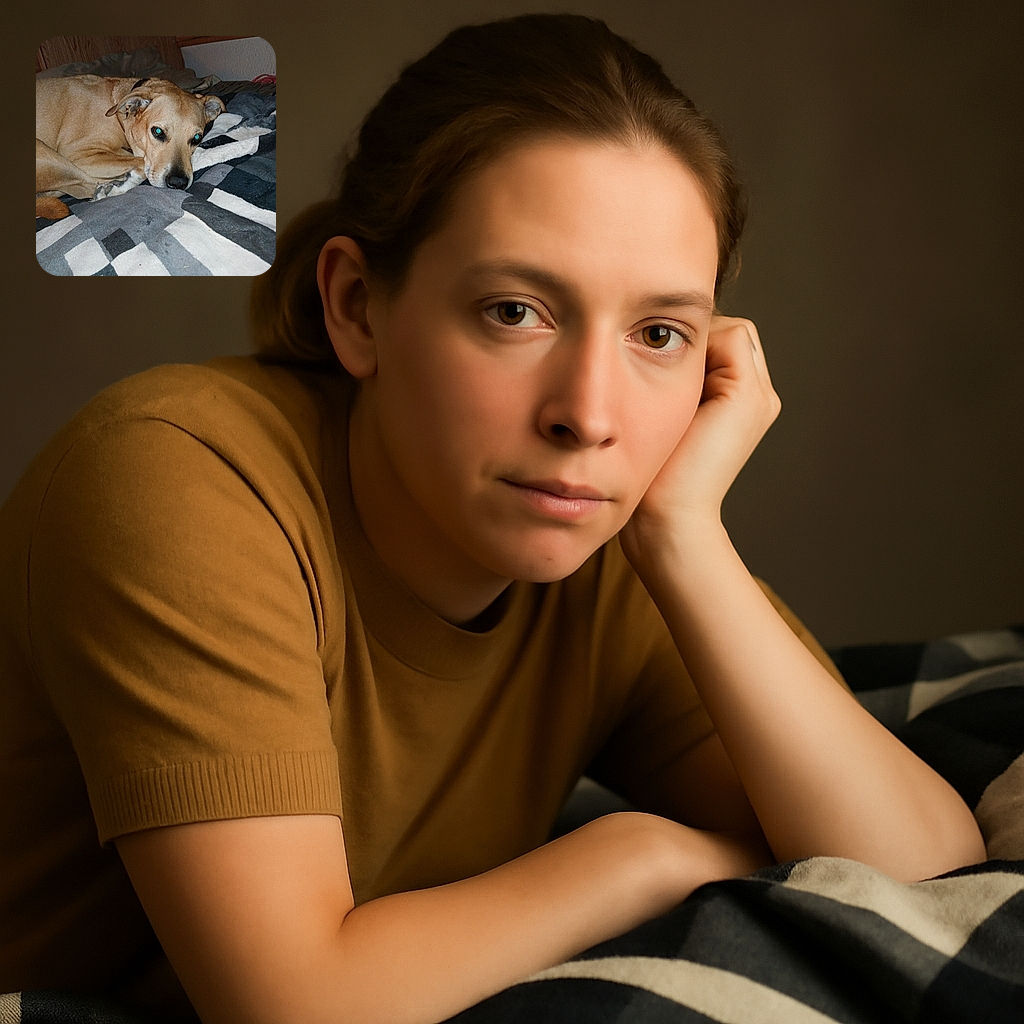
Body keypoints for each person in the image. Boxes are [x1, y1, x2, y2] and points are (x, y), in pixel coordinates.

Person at [0, 13, 984, 1024]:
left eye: (658, 333)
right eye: (515, 310)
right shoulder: (177, 479)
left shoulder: (615, 550)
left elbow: (923, 868)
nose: (589, 416)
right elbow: (298, 1007)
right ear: (357, 306)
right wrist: (637, 852)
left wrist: (684, 536)